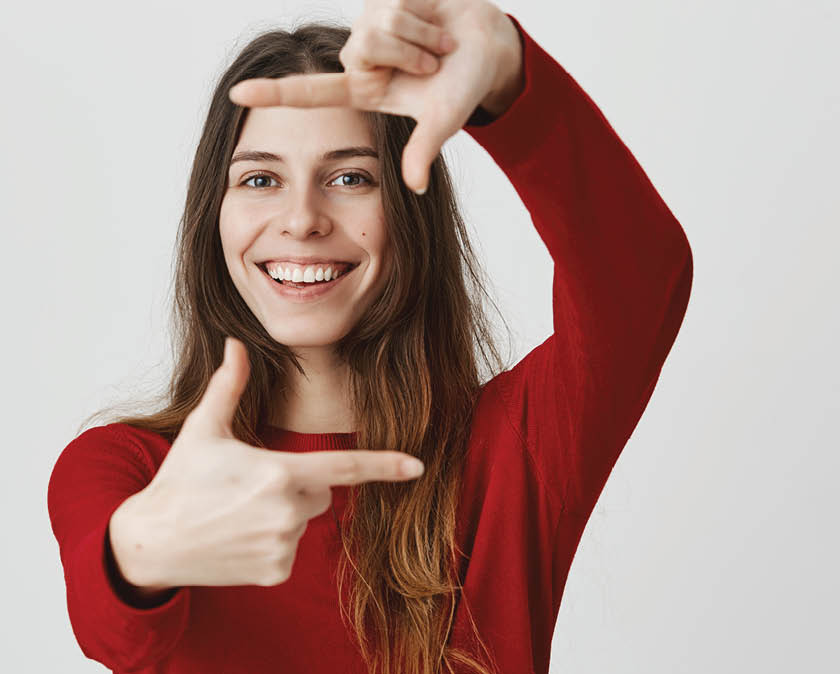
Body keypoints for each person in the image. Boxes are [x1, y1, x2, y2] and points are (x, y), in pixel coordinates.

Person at [47, 1, 694, 672]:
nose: (301, 219)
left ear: (409, 211)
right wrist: (146, 547)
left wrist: (509, 76)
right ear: (215, 218)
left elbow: (643, 280)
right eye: (261, 178)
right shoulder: (124, 468)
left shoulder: (511, 452)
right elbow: (107, 626)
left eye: (350, 177)